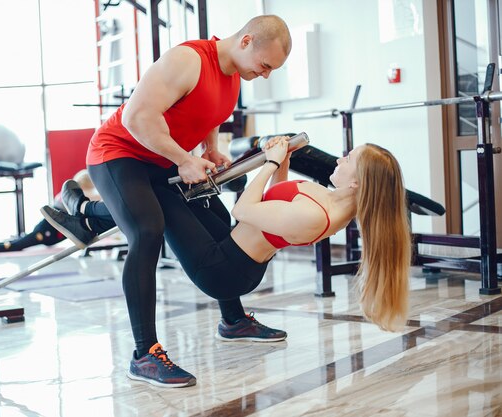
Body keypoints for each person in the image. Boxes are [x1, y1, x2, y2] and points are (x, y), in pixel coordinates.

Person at [42, 15, 293, 388]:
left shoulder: (234, 75)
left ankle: (233, 320)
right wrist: (184, 159)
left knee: (217, 221)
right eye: (266, 64)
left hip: (160, 158)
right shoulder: (188, 60)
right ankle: (144, 355)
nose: (266, 74)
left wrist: (210, 147)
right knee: (147, 229)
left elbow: (209, 112)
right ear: (246, 42)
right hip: (118, 153)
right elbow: (136, 116)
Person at [41, 136, 412, 386]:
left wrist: (268, 162)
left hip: (222, 269)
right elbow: (272, 201)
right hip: (234, 250)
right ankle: (234, 322)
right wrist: (280, 164)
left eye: (349, 159)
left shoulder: (318, 217)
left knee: (159, 191)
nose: (340, 158)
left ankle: (83, 210)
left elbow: (245, 208)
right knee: (187, 190)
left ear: (358, 183)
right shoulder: (330, 199)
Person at [0, 170, 113, 258]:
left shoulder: (84, 194)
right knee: (15, 245)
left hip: (58, 233)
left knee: (17, 241)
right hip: (49, 228)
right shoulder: (66, 197)